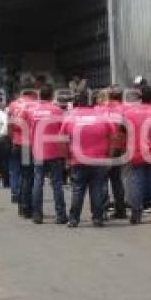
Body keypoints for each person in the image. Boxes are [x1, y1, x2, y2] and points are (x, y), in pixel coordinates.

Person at [60, 93, 116, 228]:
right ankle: (97, 218)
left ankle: (74, 219)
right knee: (97, 189)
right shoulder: (102, 116)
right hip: (99, 160)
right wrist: (110, 156)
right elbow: (113, 137)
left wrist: (66, 158)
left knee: (78, 190)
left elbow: (62, 140)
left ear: (77, 103)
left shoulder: (70, 117)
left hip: (78, 160)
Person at [24, 85, 68, 225]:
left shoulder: (32, 111)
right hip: (55, 151)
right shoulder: (57, 111)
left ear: (39, 95)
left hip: (38, 150)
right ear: (52, 96)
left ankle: (37, 215)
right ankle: (61, 215)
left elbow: (29, 130)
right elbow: (64, 132)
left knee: (38, 182)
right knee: (57, 183)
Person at [123, 85, 151, 224]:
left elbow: (124, 130)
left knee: (136, 183)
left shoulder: (129, 112)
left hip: (135, 151)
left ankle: (136, 214)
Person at [97, 86, 128, 220]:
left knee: (102, 179)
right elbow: (127, 129)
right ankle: (120, 210)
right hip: (118, 148)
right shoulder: (124, 109)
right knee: (116, 179)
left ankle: (102, 210)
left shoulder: (98, 110)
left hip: (102, 148)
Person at [7, 86, 37, 211]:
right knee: (28, 176)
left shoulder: (13, 105)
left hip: (16, 143)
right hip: (28, 145)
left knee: (15, 171)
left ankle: (18, 199)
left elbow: (9, 124)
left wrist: (12, 139)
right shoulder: (34, 105)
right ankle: (26, 206)